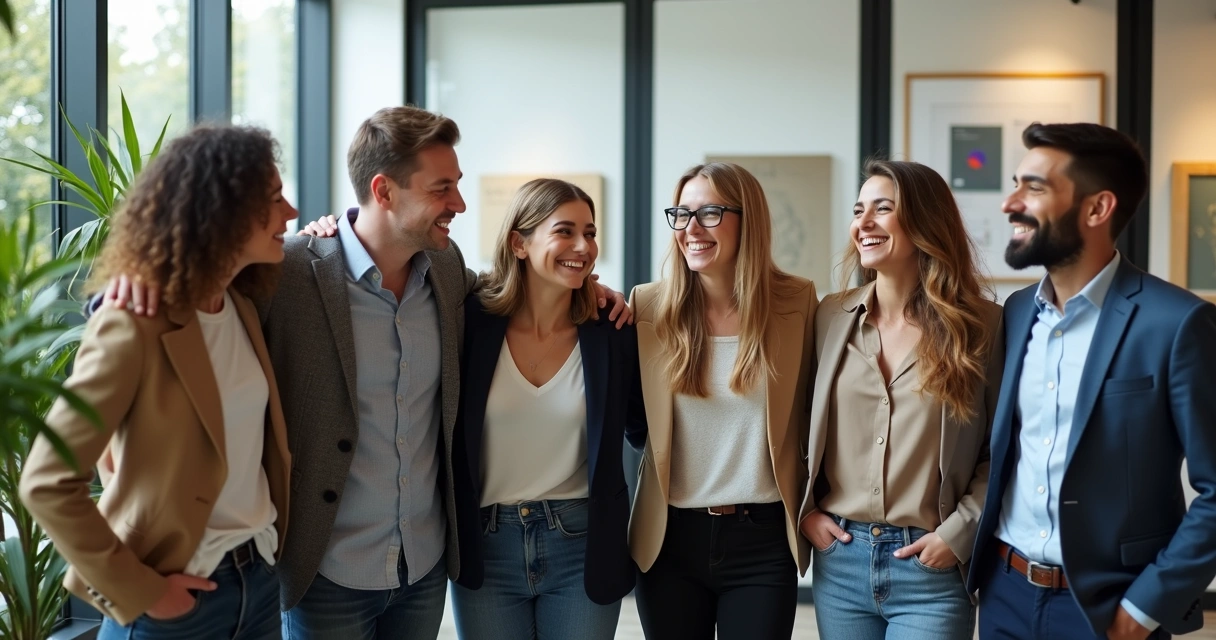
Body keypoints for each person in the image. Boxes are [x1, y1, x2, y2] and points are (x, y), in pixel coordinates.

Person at [102, 105, 629, 640]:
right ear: (384, 191)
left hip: (421, 569)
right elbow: (193, 291)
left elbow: (523, 286)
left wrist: (590, 289)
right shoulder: (290, 272)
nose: (460, 204)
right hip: (326, 570)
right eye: (442, 188)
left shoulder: (447, 276)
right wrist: (125, 287)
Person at [20, 124, 297, 640]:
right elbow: (45, 481)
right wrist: (145, 593)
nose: (291, 213)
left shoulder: (240, 305)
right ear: (223, 211)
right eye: (275, 198)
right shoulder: (132, 323)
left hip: (258, 584)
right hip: (177, 601)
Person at [969, 122, 1216, 640]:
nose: (1009, 202)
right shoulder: (1016, 314)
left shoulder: (1176, 323)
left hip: (1107, 611)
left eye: (1034, 187)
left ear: (1097, 209)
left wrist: (1146, 608)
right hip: (1003, 597)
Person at [797, 159, 1004, 640]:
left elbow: (1001, 449)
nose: (863, 223)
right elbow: (791, 424)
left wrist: (959, 534)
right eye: (858, 210)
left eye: (882, 209)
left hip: (931, 565)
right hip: (840, 562)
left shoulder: (983, 326)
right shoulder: (829, 315)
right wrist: (806, 513)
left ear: (925, 222)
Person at [448, 178, 646, 639]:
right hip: (487, 543)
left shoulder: (612, 330)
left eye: (591, 232)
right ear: (519, 242)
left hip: (582, 544)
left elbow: (643, 429)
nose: (584, 246)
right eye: (565, 231)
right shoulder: (469, 320)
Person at [627, 162, 817, 639]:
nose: (691, 229)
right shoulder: (646, 306)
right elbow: (634, 421)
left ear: (747, 219)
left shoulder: (798, 303)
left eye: (709, 213)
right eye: (681, 214)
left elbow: (822, 417)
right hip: (669, 541)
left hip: (763, 539)